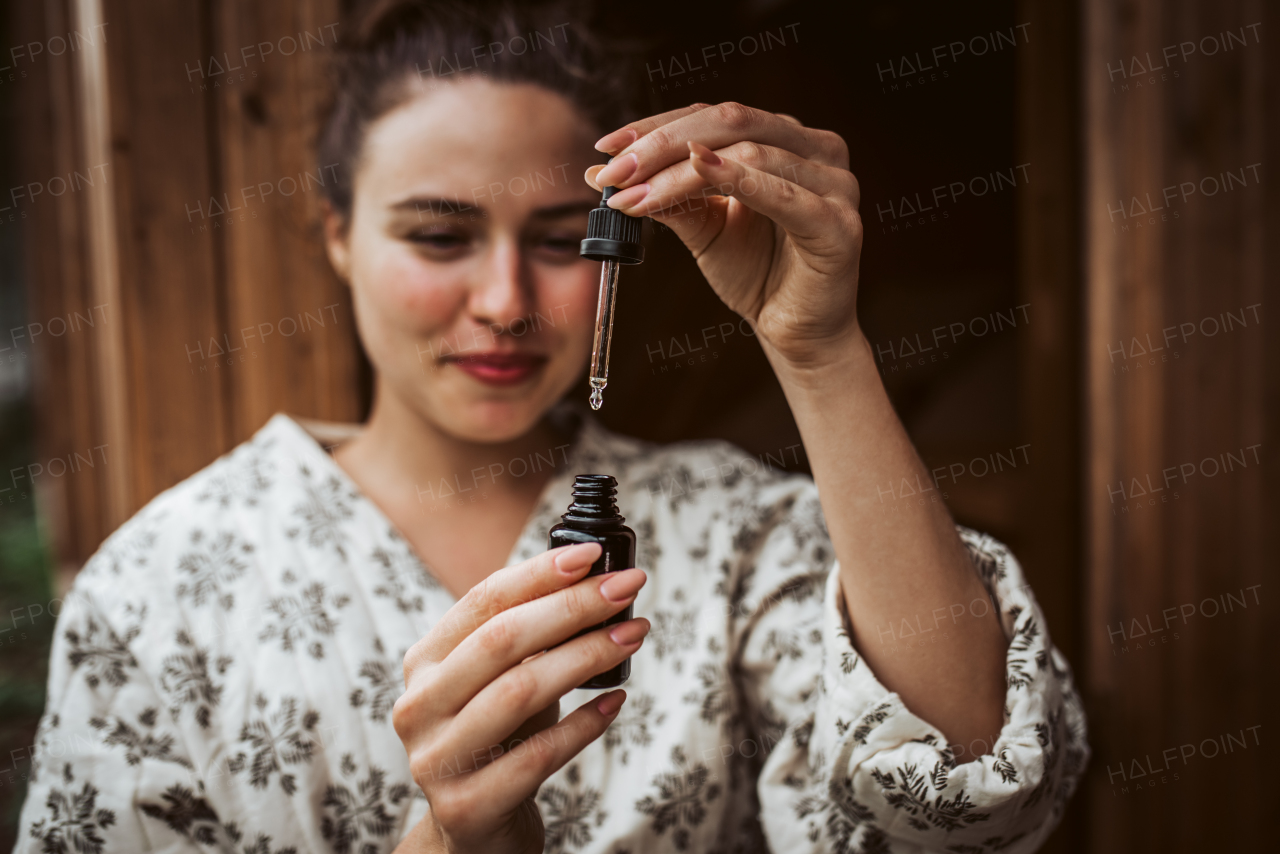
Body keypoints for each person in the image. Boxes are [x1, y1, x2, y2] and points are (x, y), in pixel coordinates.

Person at [13, 1, 1088, 852]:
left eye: (560, 238)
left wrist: (819, 349)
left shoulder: (733, 532)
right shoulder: (164, 581)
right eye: (438, 236)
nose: (502, 301)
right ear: (337, 236)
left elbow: (970, 799)